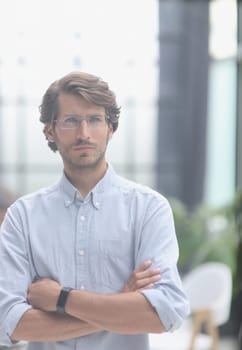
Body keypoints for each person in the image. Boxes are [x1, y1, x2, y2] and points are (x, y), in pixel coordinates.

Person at [0, 71, 189, 350]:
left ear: (110, 128)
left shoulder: (149, 208)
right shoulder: (22, 217)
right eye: (71, 121)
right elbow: (9, 324)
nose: (84, 133)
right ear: (50, 130)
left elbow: (166, 313)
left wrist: (62, 298)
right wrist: (122, 300)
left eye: (95, 120)